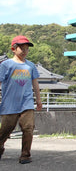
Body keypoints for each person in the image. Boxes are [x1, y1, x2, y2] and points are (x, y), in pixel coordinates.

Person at [0, 35, 42, 164]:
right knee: (6, 130)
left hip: (27, 102)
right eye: (22, 48)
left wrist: (38, 100)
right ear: (14, 49)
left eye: (26, 49)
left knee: (28, 128)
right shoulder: (6, 65)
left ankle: (25, 155)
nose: (24, 51)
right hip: (10, 103)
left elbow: (35, 83)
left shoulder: (30, 66)